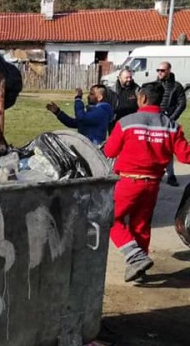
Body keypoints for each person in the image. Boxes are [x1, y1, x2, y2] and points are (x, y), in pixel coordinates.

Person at [104, 82, 190, 282]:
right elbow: (186, 156)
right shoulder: (172, 126)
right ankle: (139, 271)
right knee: (140, 225)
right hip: (152, 185)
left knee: (110, 219)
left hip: (128, 181)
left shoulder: (127, 122)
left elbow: (109, 152)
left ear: (142, 99)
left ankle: (134, 257)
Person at [46, 85, 112, 145]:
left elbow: (81, 118)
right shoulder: (93, 111)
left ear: (99, 97)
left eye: (91, 94)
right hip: (86, 147)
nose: (88, 96)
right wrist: (58, 112)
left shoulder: (102, 111)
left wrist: (78, 99)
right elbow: (72, 123)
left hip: (93, 150)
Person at [156, 62, 187, 186]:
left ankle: (171, 175)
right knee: (155, 147)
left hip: (169, 121)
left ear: (169, 70)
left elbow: (182, 104)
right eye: (158, 70)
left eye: (162, 70)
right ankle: (157, 173)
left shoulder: (176, 86)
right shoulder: (155, 85)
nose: (160, 72)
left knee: (168, 149)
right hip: (156, 120)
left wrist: (172, 118)